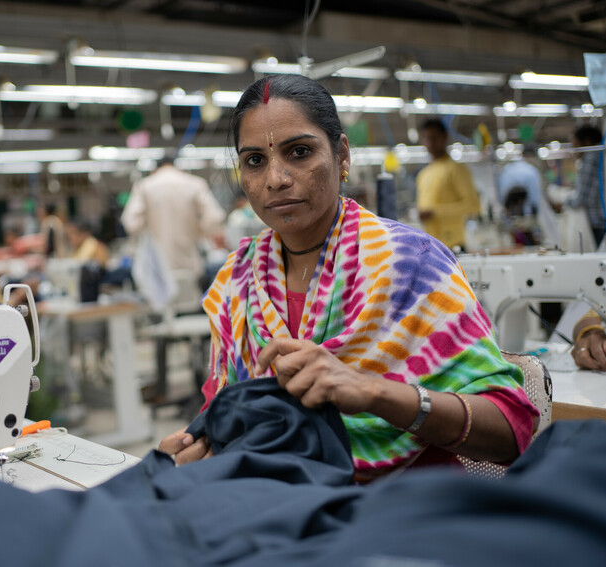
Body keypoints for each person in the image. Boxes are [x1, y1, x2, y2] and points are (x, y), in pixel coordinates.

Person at [158, 74, 538, 482]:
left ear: (342, 155)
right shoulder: (238, 280)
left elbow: (511, 431)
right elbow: (223, 413)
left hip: (405, 512)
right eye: (255, 161)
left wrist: (372, 392)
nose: (275, 179)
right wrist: (190, 447)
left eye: (299, 152)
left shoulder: (411, 267)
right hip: (280, 512)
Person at [121, 155, 226, 282]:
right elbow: (215, 218)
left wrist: (147, 230)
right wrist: (198, 231)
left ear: (156, 168)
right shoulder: (195, 184)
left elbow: (130, 223)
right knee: (190, 299)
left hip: (156, 265)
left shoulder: (144, 186)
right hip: (189, 261)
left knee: (159, 301)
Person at [415, 118, 482, 251]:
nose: (429, 143)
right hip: (430, 246)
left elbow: (473, 206)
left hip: (453, 246)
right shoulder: (423, 175)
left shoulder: (456, 170)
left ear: (444, 137)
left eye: (433, 137)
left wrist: (435, 212)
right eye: (426, 138)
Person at [563, 125, 605, 245]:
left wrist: (566, 202)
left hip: (597, 219)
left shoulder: (590, 158)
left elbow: (581, 197)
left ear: (587, 142)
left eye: (576, 146)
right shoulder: (601, 157)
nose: (574, 150)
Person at [498, 145, 542, 217]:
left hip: (508, 215)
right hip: (526, 215)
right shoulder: (532, 172)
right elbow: (535, 199)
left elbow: (502, 195)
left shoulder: (506, 170)